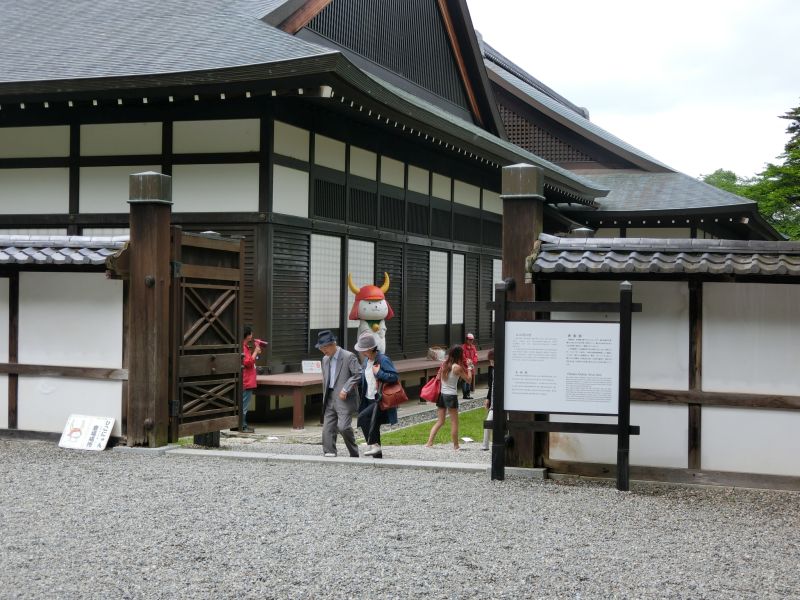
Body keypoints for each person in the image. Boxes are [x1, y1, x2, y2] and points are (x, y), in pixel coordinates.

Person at [316, 330, 362, 458]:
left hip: (344, 398)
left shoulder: (348, 356)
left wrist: (346, 388)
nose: (323, 351)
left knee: (343, 427)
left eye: (324, 347)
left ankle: (354, 452)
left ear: (333, 344)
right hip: (329, 397)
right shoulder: (325, 359)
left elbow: (359, 374)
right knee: (327, 428)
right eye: (321, 348)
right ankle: (330, 452)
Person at [354, 331, 399, 459]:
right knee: (373, 425)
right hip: (368, 398)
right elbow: (366, 378)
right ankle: (377, 457)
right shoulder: (366, 361)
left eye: (363, 350)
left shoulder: (383, 359)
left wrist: (379, 373)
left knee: (363, 418)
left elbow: (394, 376)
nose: (361, 352)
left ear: (370, 349)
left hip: (380, 399)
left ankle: (373, 444)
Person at [425, 345, 472, 451]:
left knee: (440, 421)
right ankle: (456, 445)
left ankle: (429, 442)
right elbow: (469, 380)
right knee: (454, 422)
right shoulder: (457, 367)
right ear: (460, 355)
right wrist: (470, 367)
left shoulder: (444, 364)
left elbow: (439, 378)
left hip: (442, 394)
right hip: (451, 395)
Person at [239, 325, 262, 433]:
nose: (252, 335)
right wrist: (256, 351)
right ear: (247, 335)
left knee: (242, 404)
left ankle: (241, 425)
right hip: (246, 380)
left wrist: (255, 352)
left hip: (246, 379)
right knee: (244, 405)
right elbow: (248, 363)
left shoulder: (244, 346)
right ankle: (242, 426)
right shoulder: (243, 347)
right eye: (251, 333)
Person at [482, 350, 495, 451]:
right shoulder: (491, 369)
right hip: (493, 404)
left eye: (492, 361)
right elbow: (491, 386)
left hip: (502, 404)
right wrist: (488, 398)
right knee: (488, 422)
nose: (491, 363)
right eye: (490, 361)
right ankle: (485, 445)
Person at [461, 333, 478, 399]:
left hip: (471, 366)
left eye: (472, 340)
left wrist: (472, 362)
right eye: (469, 339)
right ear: (466, 339)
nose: (471, 341)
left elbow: (475, 356)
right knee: (464, 380)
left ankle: (468, 394)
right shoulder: (463, 347)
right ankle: (465, 395)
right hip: (464, 366)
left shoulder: (473, 347)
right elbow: (463, 357)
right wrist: (467, 363)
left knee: (469, 379)